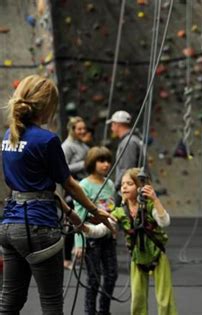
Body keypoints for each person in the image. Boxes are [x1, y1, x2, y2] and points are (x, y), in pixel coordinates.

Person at [0, 74, 115, 314]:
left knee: (9, 302)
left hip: (10, 225)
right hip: (38, 226)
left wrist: (71, 214)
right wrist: (95, 211)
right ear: (47, 106)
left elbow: (32, 188)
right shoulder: (47, 139)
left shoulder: (8, 137)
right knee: (51, 301)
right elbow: (70, 184)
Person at [85, 168, 178, 315]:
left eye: (129, 183)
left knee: (164, 299)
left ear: (140, 187)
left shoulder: (149, 206)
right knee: (137, 300)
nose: (124, 187)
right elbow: (100, 230)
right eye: (123, 184)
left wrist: (155, 199)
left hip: (157, 256)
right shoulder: (119, 212)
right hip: (137, 259)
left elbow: (164, 222)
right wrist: (83, 227)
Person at [73, 146, 117, 315]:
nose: (106, 164)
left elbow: (112, 209)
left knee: (112, 275)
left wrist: (113, 229)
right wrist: (79, 243)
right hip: (90, 237)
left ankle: (103, 310)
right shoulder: (84, 185)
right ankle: (89, 312)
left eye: (108, 161)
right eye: (101, 161)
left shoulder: (110, 183)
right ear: (92, 162)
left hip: (107, 236)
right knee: (94, 278)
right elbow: (79, 214)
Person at [61, 116, 89, 269]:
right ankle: (66, 259)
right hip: (73, 189)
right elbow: (63, 169)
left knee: (83, 221)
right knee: (72, 223)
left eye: (83, 128)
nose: (82, 131)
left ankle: (79, 253)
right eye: (79, 129)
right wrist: (83, 164)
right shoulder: (67, 146)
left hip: (84, 188)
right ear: (72, 130)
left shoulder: (82, 145)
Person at [106, 110, 144, 199]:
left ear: (117, 125)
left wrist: (115, 187)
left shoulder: (128, 142)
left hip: (131, 191)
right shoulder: (132, 139)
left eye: (112, 125)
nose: (111, 128)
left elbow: (127, 169)